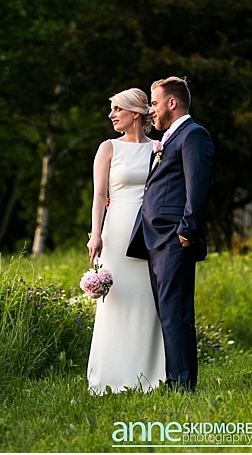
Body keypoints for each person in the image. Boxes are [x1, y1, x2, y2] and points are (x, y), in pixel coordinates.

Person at [127, 76, 214, 392]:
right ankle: (174, 378)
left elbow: (198, 186)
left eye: (154, 103)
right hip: (158, 238)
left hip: (174, 238)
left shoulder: (193, 135)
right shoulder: (172, 137)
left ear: (172, 102)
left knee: (176, 312)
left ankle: (181, 384)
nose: (151, 110)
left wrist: (186, 231)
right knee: (169, 312)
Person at [85, 89, 167, 395]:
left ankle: (149, 373)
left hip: (149, 231)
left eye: (118, 109)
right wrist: (95, 234)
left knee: (148, 300)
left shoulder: (158, 148)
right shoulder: (108, 148)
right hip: (117, 232)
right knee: (117, 301)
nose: (112, 115)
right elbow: (99, 195)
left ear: (135, 113)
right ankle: (111, 374)